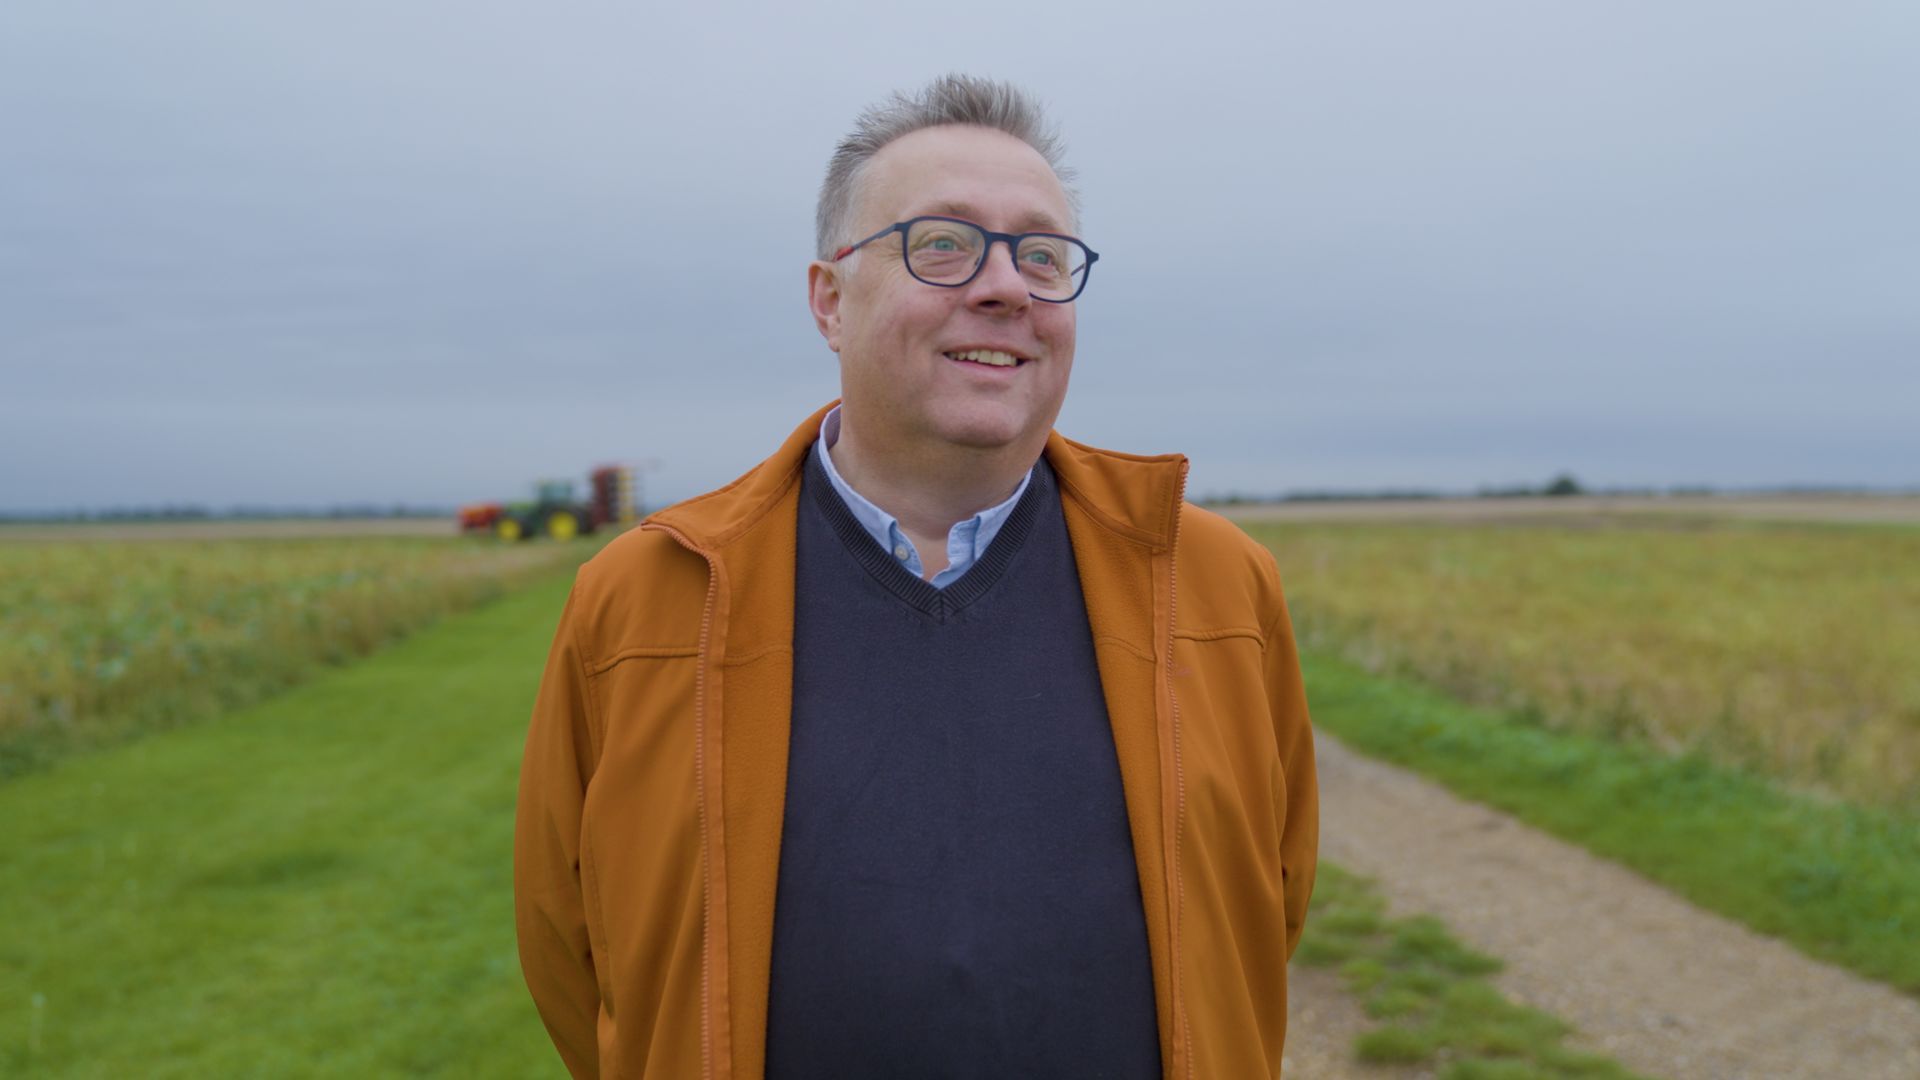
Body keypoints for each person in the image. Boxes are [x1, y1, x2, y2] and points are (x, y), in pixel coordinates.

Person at [515, 73, 1318, 1079]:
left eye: (1042, 254)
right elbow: (570, 941)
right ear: (828, 301)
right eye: (943, 243)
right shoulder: (644, 595)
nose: (1007, 287)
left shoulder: (1216, 583)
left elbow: (1263, 909)